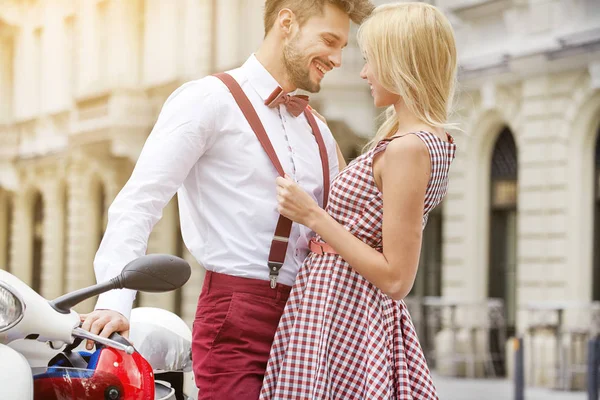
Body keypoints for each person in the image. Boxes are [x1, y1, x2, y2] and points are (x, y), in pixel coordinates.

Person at [79, 1, 374, 399]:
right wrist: (115, 301)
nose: (339, 58)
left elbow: (341, 229)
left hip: (313, 318)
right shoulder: (207, 99)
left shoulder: (319, 130)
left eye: (343, 45)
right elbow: (140, 201)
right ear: (286, 22)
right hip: (237, 316)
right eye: (329, 40)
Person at [259, 3, 458, 399]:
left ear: (402, 64)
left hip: (345, 311)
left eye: (371, 61)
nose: (364, 72)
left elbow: (396, 278)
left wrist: (312, 215)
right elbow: (368, 211)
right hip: (341, 307)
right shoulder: (417, 140)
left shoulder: (408, 148)